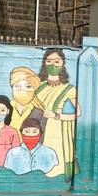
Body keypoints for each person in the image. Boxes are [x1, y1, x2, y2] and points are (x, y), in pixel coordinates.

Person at [33, 48, 77, 177]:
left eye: (57, 61)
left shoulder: (69, 89)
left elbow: (77, 114)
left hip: (56, 130)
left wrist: (56, 115)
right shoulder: (39, 86)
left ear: (62, 64)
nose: (53, 65)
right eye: (49, 61)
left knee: (54, 170)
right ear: (44, 63)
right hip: (37, 127)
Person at [3, 110, 58, 175]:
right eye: (27, 131)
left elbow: (54, 173)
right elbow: (8, 174)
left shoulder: (50, 152)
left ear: (40, 134)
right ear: (21, 133)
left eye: (34, 132)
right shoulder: (12, 153)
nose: (30, 135)